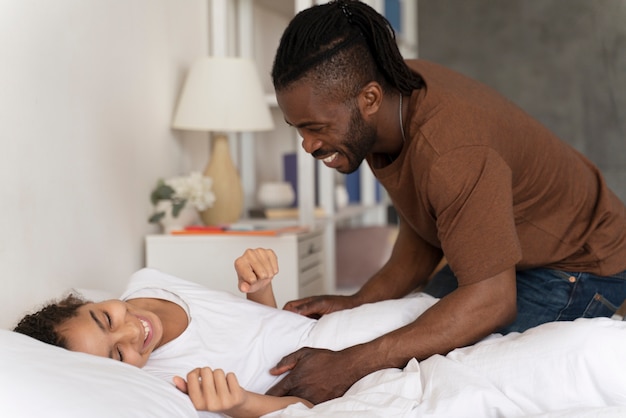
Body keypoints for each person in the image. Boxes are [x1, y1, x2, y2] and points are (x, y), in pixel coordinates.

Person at [266, 0, 626, 404]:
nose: (308, 145)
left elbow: (491, 301)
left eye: (316, 128)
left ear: (369, 99)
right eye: (298, 128)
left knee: (441, 374)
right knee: (408, 330)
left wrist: (349, 365)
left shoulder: (451, 153)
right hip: (514, 256)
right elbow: (424, 227)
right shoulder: (388, 104)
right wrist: (358, 303)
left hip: (579, 263)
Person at [13, 248, 438, 417]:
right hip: (354, 367)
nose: (129, 333)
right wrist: (240, 403)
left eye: (104, 319)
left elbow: (264, 334)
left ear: (83, 303)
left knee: (456, 304)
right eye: (118, 356)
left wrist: (260, 290)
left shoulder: (147, 281)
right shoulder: (169, 386)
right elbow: (301, 400)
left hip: (369, 324)